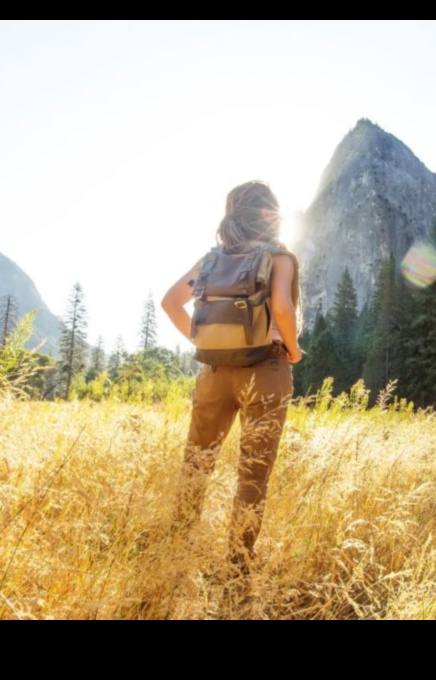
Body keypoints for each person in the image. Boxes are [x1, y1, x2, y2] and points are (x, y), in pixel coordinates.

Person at [161, 180, 303, 576]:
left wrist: (203, 338)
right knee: (254, 470)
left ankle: (174, 549)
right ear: (268, 214)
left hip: (213, 371)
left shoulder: (210, 261)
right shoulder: (279, 257)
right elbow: (283, 308)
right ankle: (237, 565)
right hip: (266, 369)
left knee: (196, 463)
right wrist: (292, 349)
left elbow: (170, 301)